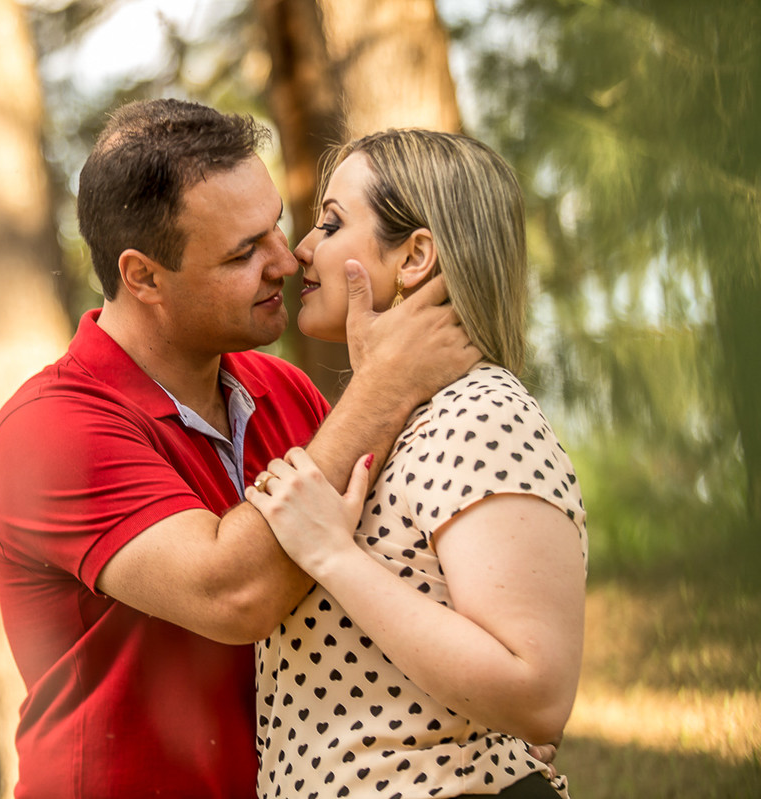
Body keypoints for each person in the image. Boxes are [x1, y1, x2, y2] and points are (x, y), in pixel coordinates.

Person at [0, 100, 480, 798]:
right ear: (143, 276)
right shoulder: (50, 430)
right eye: (243, 253)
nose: (287, 257)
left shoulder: (286, 391)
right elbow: (235, 593)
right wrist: (385, 386)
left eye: (274, 224)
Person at [246, 129, 587, 798]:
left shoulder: (481, 411)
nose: (302, 250)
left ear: (415, 256)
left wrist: (334, 558)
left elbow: (537, 692)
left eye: (332, 222)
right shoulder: (393, 425)